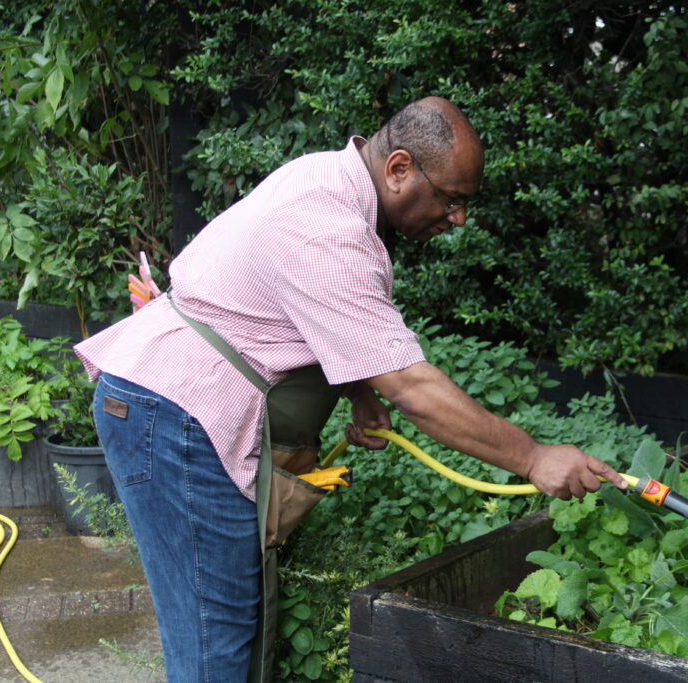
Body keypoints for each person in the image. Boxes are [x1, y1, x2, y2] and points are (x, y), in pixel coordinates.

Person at [74, 96, 627, 681]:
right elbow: (412, 387)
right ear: (399, 170)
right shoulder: (328, 229)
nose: (458, 218)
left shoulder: (334, 186)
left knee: (231, 627)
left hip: (172, 408)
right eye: (452, 198)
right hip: (174, 417)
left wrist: (358, 388)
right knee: (214, 640)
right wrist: (534, 457)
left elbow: (305, 316)